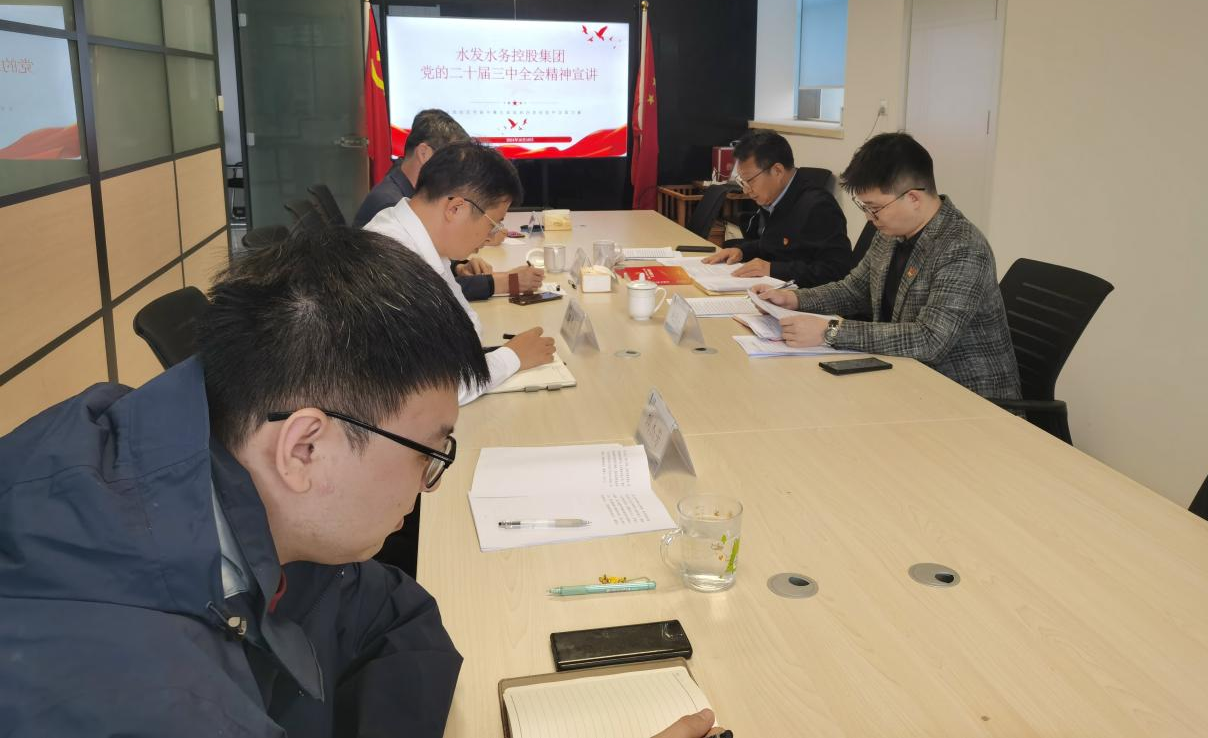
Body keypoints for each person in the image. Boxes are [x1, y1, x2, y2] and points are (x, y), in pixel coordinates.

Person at [0, 230, 720, 738]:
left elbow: (393, 611)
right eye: (427, 452)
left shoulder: (187, 455)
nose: (429, 484)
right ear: (304, 447)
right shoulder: (156, 702)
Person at [757, 132, 1021, 400]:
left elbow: (930, 340)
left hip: (967, 398)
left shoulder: (962, 247)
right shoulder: (890, 234)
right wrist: (794, 299)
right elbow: (853, 290)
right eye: (864, 207)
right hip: (905, 379)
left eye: (875, 208)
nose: (869, 218)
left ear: (913, 198)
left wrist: (830, 331)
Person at [364, 140, 556, 403]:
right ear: (455, 208)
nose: (491, 237)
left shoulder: (421, 237)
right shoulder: (391, 262)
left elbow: (467, 328)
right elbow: (437, 389)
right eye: (493, 224)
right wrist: (513, 357)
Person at [352, 108, 543, 300]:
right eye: (455, 160)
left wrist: (458, 266)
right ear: (424, 153)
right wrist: (505, 282)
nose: (462, 172)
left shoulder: (416, 206)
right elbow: (424, 290)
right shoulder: (389, 206)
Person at [702, 130, 852, 287]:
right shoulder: (775, 196)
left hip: (804, 296)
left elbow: (836, 272)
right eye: (742, 182)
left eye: (750, 181)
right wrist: (742, 252)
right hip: (775, 291)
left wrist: (773, 269)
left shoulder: (819, 206)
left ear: (777, 171)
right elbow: (772, 244)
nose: (746, 190)